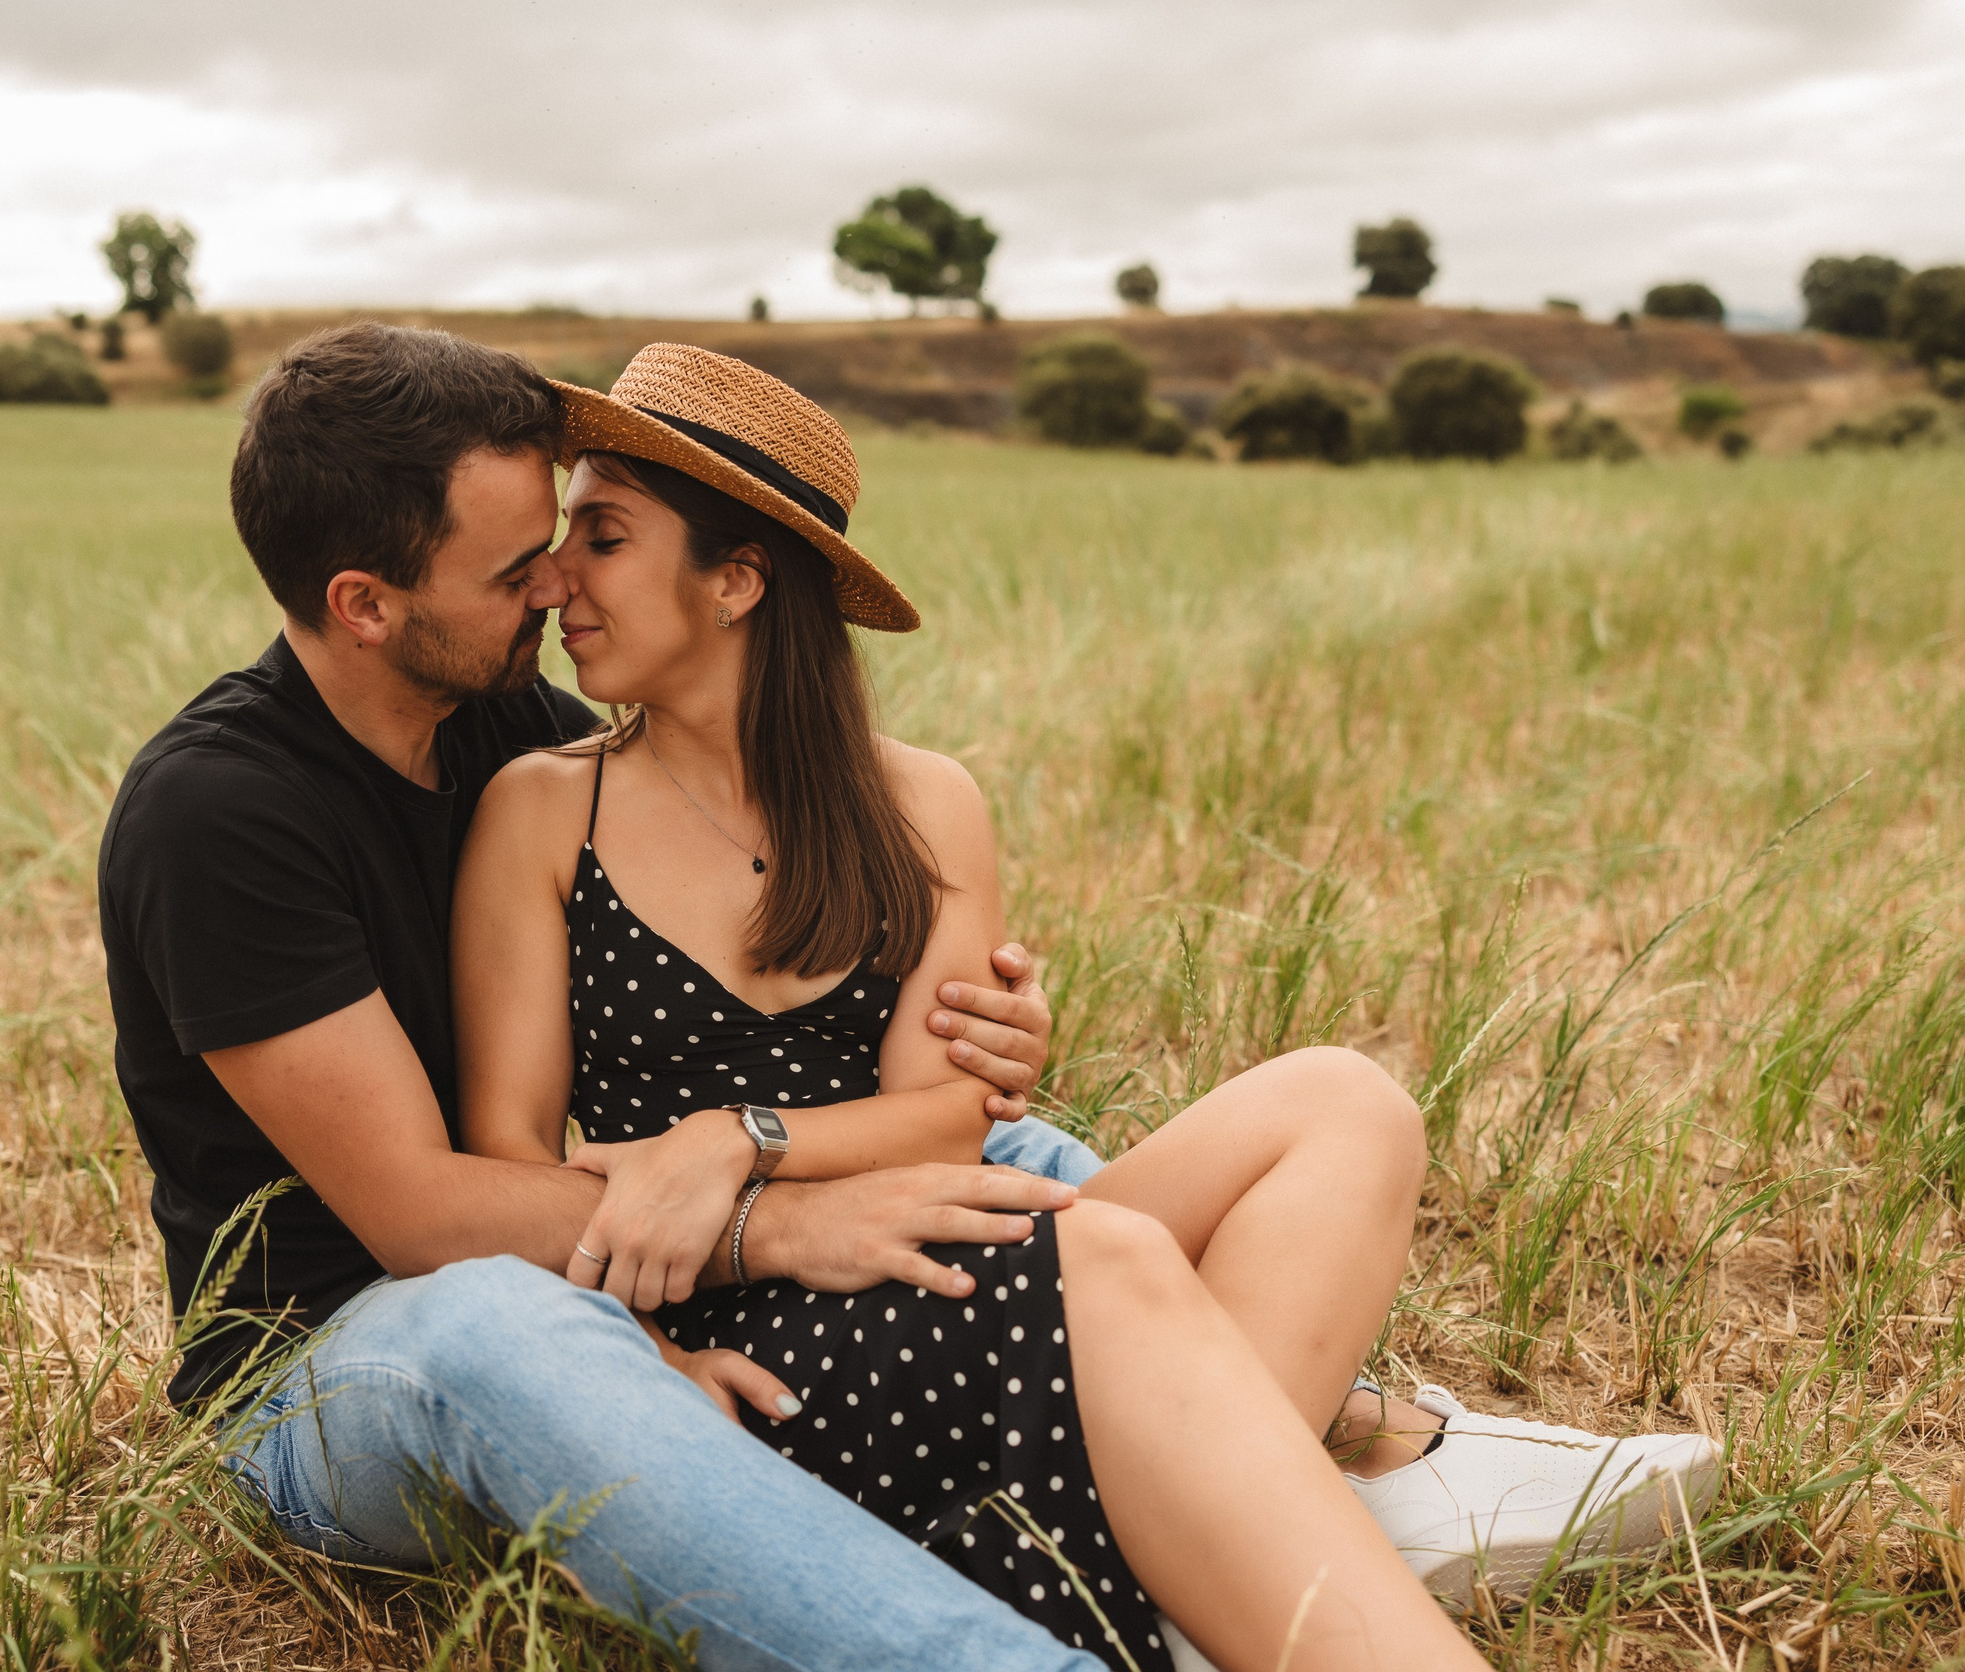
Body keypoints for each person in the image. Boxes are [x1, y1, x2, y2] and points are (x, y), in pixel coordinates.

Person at [448, 344, 1725, 1670]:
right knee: (1112, 1260)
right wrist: (648, 1370)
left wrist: (740, 1137)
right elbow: (508, 1162)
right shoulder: (546, 811)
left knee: (1346, 1103)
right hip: (747, 1334)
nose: (554, 581)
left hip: (933, 1246)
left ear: (737, 577)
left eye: (599, 537)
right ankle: (1238, 1553)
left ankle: (1186, 1573)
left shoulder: (921, 803)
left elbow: (943, 1126)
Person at [99, 320, 1145, 1672]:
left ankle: (1273, 1424)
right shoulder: (219, 813)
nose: (550, 588)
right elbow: (422, 1217)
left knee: (1003, 1158)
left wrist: (981, 1033)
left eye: (564, 542)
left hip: (590, 1260)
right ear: (365, 602)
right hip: (340, 1369)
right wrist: (760, 1242)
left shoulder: (514, 730)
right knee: (505, 1329)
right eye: (509, 567)